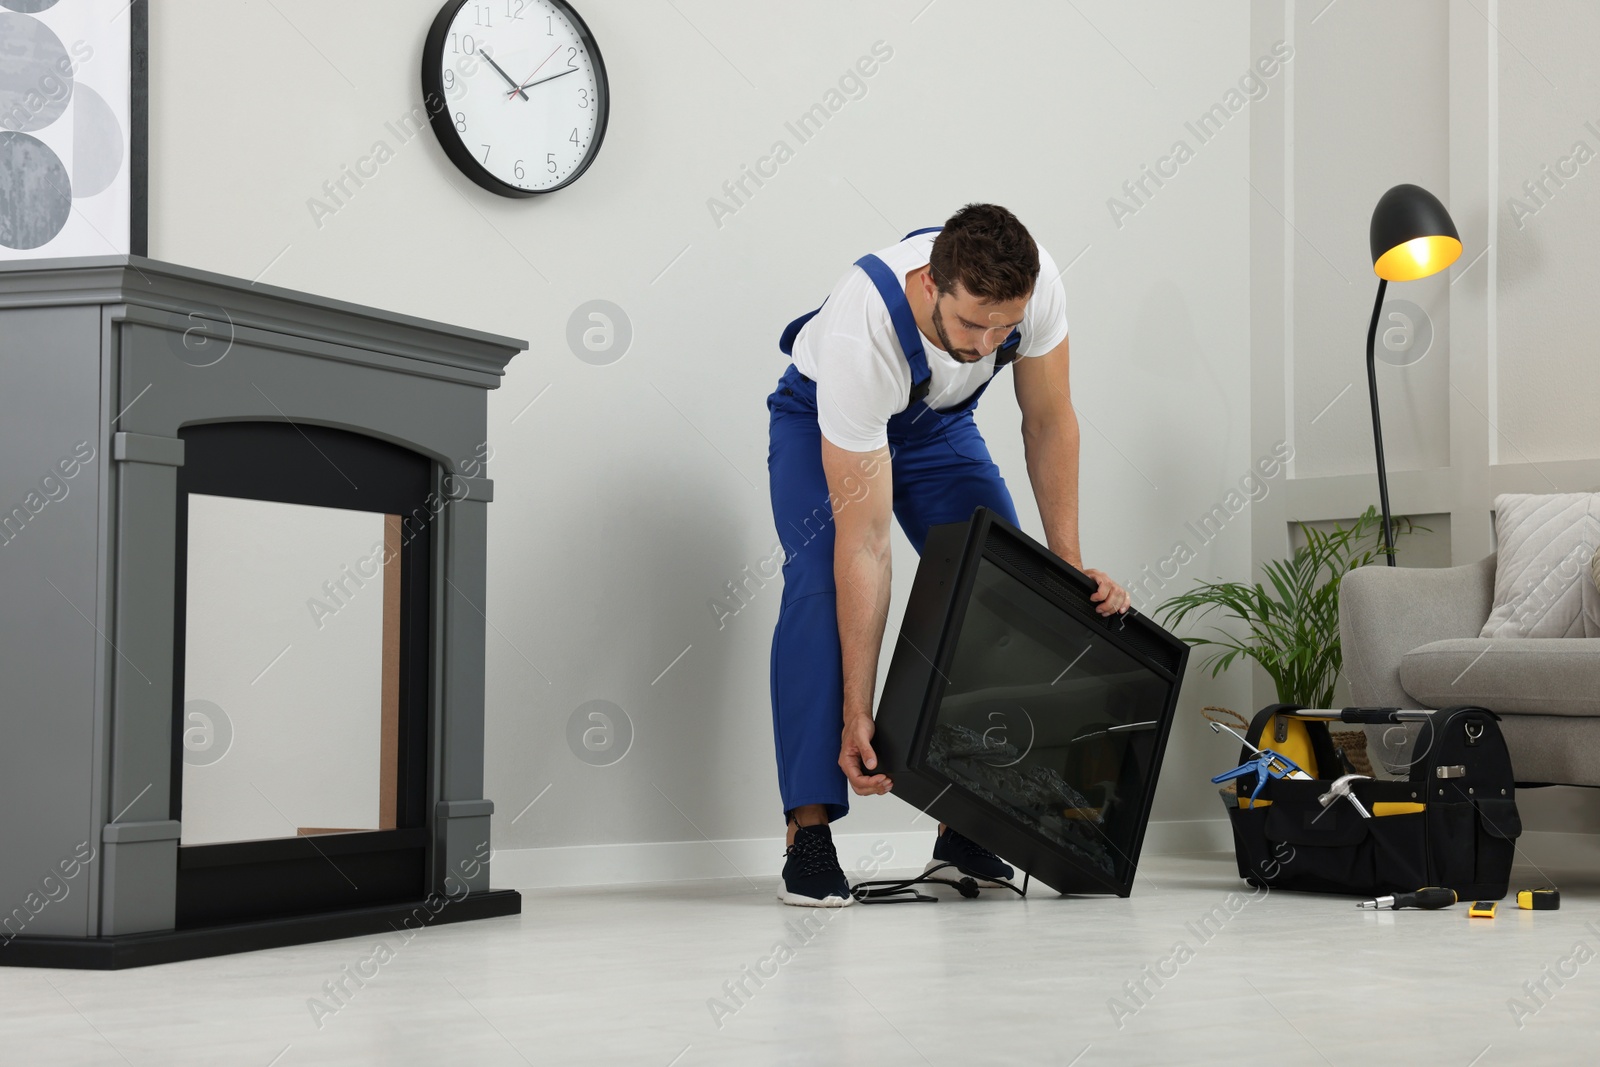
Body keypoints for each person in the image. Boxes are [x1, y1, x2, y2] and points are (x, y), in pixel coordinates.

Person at [765, 203, 1131, 906]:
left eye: (1004, 328)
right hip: (825, 418)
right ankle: (808, 831)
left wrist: (1068, 570)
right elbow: (866, 544)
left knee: (1001, 588)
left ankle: (965, 827)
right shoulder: (862, 327)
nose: (987, 342)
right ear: (932, 283)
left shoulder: (1039, 286)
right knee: (817, 583)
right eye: (972, 324)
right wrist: (857, 709)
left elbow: (1050, 419)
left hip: (936, 427)